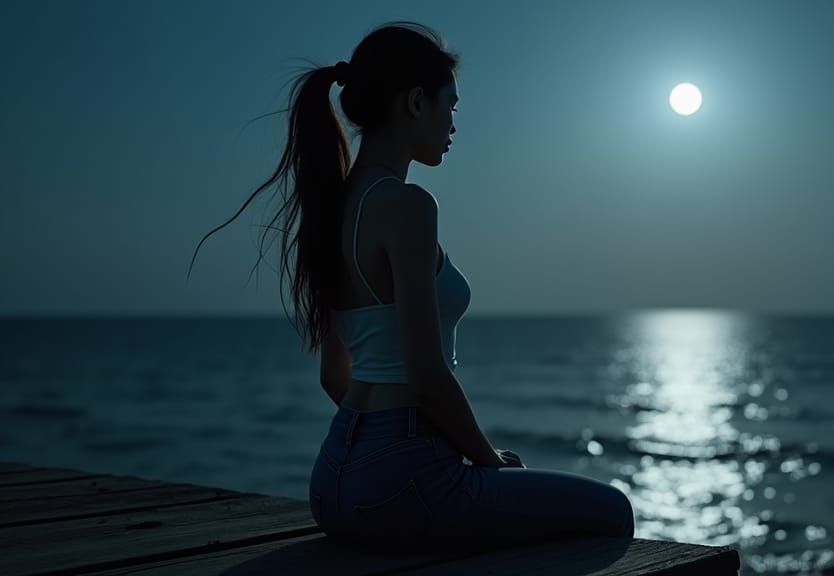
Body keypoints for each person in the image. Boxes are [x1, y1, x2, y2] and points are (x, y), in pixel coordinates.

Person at [191, 20, 633, 555]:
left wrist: (382, 453)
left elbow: (336, 377)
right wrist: (488, 460)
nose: (453, 123)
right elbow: (427, 376)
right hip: (402, 481)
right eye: (451, 105)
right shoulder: (408, 207)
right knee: (613, 512)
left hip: (332, 481)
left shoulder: (333, 208)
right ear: (417, 103)